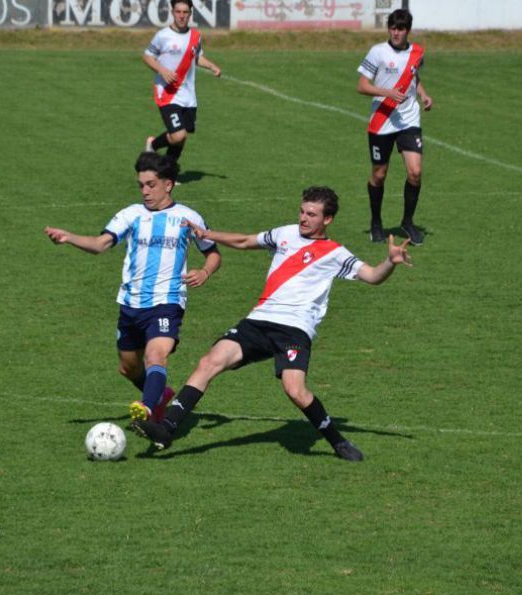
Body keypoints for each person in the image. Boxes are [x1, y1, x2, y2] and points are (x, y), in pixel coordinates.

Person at [132, 186, 413, 462]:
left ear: (327, 219)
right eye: (302, 211)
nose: (303, 218)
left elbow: (373, 276)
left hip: (294, 329)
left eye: (311, 214)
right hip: (259, 320)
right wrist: (207, 234)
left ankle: (337, 441)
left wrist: (390, 261)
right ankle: (166, 429)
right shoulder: (284, 234)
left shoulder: (335, 253)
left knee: (295, 390)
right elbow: (244, 241)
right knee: (209, 362)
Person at [44, 152, 221, 424]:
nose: (145, 191)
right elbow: (101, 244)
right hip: (130, 303)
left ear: (168, 184)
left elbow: (213, 253)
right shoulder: (131, 214)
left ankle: (147, 407)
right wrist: (69, 238)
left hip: (167, 300)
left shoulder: (187, 217)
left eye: (151, 184)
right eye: (141, 185)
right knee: (128, 367)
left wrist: (205, 271)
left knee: (155, 355)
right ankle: (161, 395)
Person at [357, 8, 433, 246]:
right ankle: (376, 223)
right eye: (392, 28)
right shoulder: (378, 52)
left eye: (400, 29)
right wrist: (387, 92)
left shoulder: (417, 52)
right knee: (379, 175)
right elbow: (362, 85)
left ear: (407, 30)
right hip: (382, 121)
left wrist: (423, 94)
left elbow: (412, 75)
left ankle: (407, 222)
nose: (396, 32)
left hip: (409, 120)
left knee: (415, 172)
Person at [143, 0, 222, 166]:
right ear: (172, 12)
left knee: (182, 136)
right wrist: (162, 71)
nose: (181, 15)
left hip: (188, 95)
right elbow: (147, 56)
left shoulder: (195, 36)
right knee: (178, 135)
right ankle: (153, 145)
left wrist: (211, 66)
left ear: (190, 14)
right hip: (167, 93)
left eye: (185, 12)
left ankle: (167, 173)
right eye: (178, 11)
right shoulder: (163, 35)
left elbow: (197, 56)